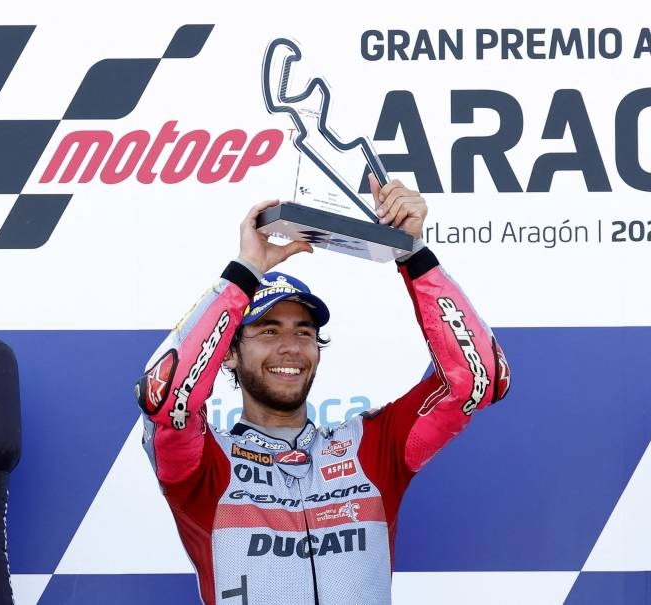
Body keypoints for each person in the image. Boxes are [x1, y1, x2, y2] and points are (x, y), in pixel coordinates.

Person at [135, 177, 511, 605]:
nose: (291, 347)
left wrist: (413, 253)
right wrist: (245, 271)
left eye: (304, 331)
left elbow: (477, 378)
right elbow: (165, 396)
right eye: (268, 330)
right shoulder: (206, 467)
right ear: (229, 352)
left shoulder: (373, 447)